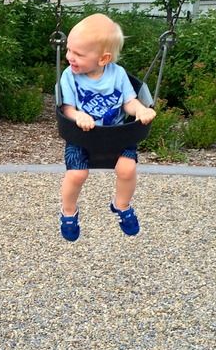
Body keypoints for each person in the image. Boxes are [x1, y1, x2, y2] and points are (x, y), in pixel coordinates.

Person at [58, 13, 156, 240]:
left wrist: (140, 110)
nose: (70, 57)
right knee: (77, 174)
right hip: (82, 137)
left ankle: (121, 205)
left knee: (127, 169)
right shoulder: (69, 76)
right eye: (69, 50)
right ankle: (68, 211)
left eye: (78, 54)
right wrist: (78, 115)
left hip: (117, 136)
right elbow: (67, 109)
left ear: (103, 59)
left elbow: (129, 102)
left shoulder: (118, 74)